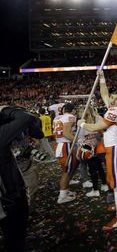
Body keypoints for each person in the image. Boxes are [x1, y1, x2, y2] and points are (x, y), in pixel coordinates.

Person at [79, 70, 117, 230]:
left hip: (114, 148)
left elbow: (97, 127)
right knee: (113, 180)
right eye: (113, 98)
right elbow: (105, 94)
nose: (112, 100)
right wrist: (102, 78)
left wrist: (83, 124)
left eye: (116, 99)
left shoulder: (115, 111)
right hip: (114, 146)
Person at [0, 105, 44, 251]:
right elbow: (25, 118)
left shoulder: (11, 127)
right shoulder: (4, 131)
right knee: (14, 232)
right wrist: (7, 109)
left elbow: (38, 133)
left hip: (14, 176)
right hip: (8, 190)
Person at [53, 102, 78, 204]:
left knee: (68, 169)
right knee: (66, 171)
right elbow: (66, 133)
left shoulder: (57, 118)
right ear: (73, 110)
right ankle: (62, 196)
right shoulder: (71, 117)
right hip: (66, 145)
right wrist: (79, 141)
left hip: (59, 144)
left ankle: (65, 191)